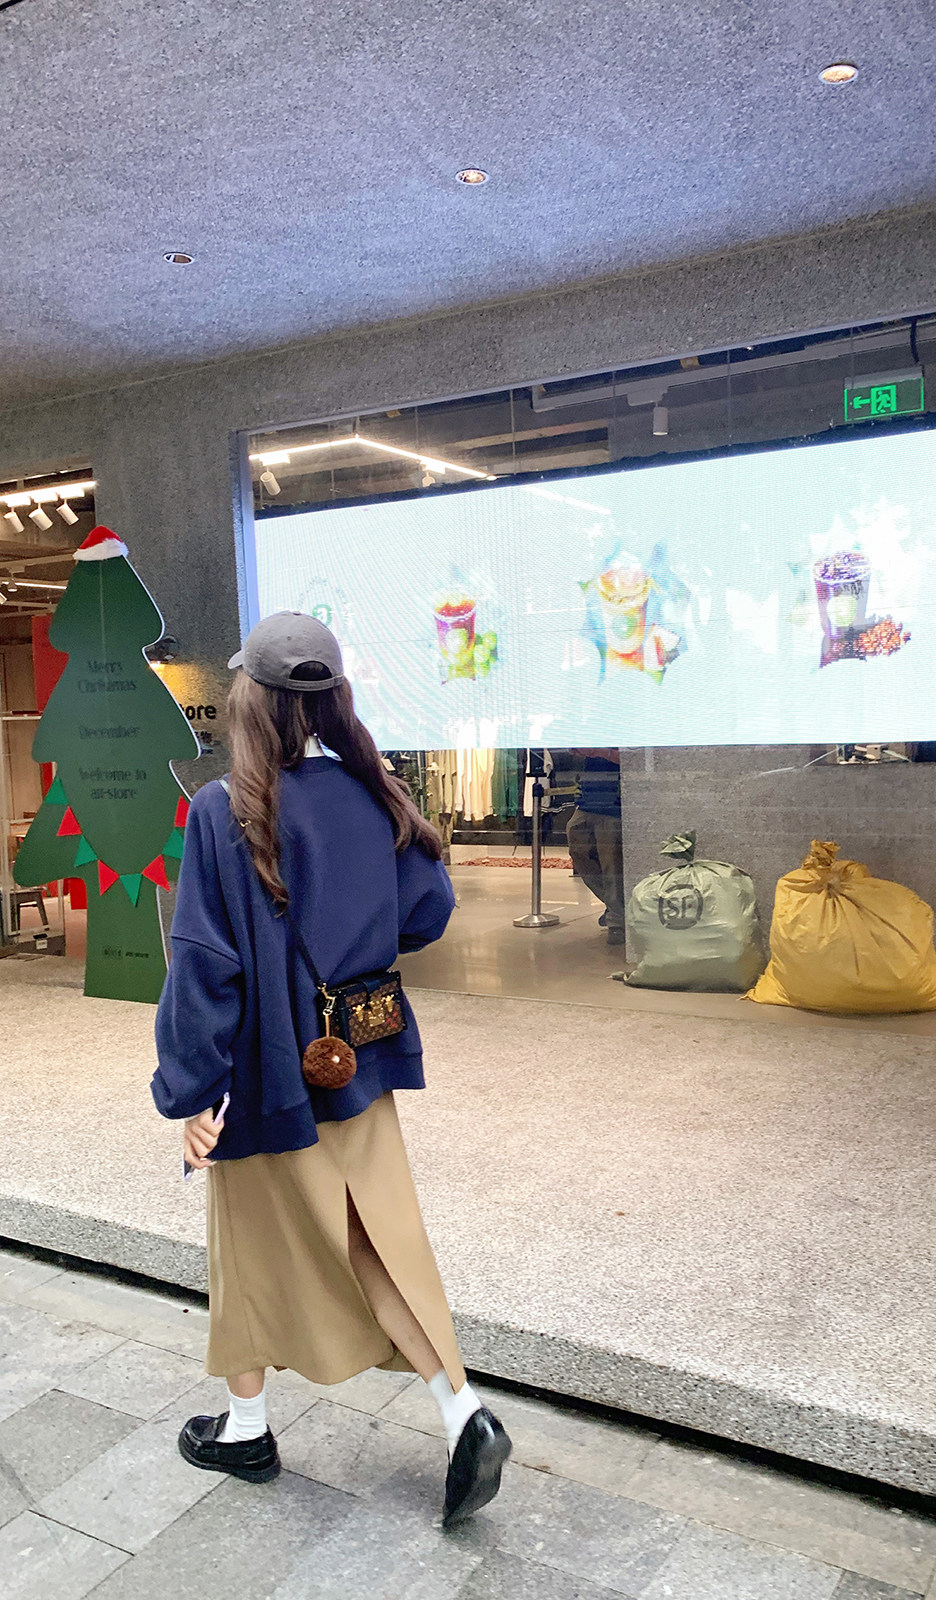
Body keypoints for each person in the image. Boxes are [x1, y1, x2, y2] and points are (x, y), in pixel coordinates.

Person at [151, 611, 509, 1528]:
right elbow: (427, 913)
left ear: (249, 700)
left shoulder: (223, 810)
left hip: (267, 1074)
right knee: (378, 1239)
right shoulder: (375, 795)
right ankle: (462, 1412)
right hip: (361, 1057)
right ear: (332, 701)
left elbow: (204, 963)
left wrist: (190, 1092)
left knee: (245, 1248)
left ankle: (245, 1429)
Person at [566, 749, 624, 944]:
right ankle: (616, 907)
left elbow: (633, 759)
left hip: (614, 804)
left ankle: (617, 921)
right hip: (587, 799)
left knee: (612, 863)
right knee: (578, 849)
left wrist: (599, 751)